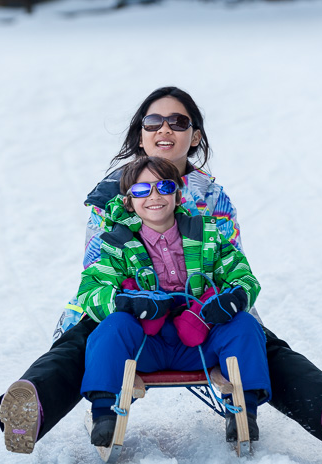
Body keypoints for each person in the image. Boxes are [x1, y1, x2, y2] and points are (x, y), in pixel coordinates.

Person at [0, 86, 322, 456]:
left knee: (260, 342)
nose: (164, 130)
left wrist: (231, 299)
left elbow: (232, 262)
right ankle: (28, 410)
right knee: (85, 342)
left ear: (195, 136)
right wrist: (124, 302)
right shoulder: (111, 194)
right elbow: (96, 268)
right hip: (128, 305)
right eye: (153, 122)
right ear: (141, 136)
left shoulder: (212, 198)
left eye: (178, 122)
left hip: (203, 306)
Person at [79, 156, 270, 446]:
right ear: (129, 202)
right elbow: (91, 290)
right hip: (145, 345)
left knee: (243, 324)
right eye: (142, 191)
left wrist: (235, 297)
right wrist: (125, 303)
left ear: (177, 195)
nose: (154, 196)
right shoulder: (117, 243)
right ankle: (104, 412)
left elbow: (241, 274)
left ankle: (244, 411)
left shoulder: (206, 234)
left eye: (163, 187)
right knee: (113, 327)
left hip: (201, 340)